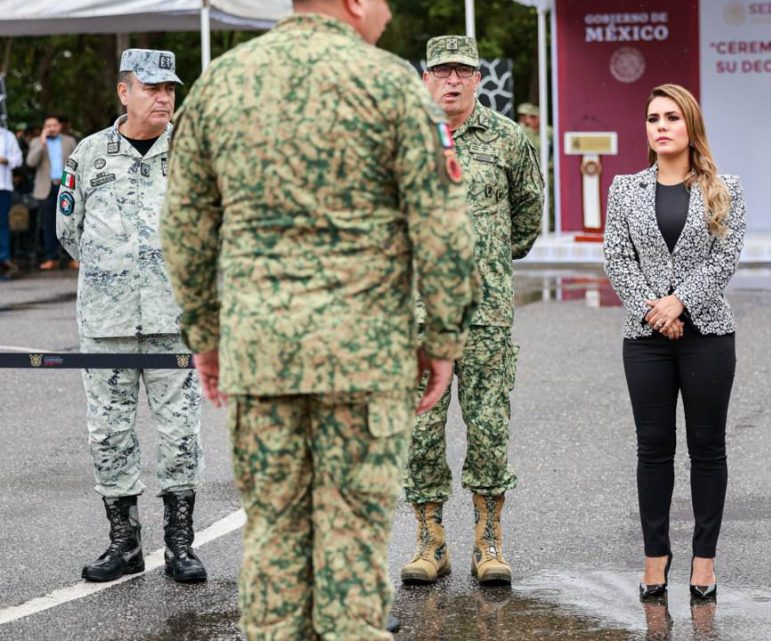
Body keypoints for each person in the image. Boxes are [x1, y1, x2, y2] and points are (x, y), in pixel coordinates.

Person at [161, 1, 478, 638]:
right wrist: (443, 339)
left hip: (261, 356)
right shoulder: (391, 85)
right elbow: (443, 231)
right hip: (364, 362)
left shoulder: (224, 81)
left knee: (273, 539)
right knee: (353, 553)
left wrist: (206, 333)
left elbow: (184, 226)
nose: (387, 12)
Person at [54, 49, 207, 585]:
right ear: (125, 92)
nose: (164, 96)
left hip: (175, 321)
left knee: (180, 434)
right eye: (152, 87)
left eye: (170, 88)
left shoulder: (191, 153)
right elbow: (68, 234)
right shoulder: (89, 156)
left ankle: (181, 545)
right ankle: (123, 544)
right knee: (110, 432)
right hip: (107, 323)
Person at [399, 34, 543, 588]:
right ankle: (430, 542)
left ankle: (488, 542)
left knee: (487, 429)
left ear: (479, 80)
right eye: (442, 72)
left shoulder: (509, 140)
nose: (452, 81)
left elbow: (527, 219)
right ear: (426, 79)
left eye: (463, 71)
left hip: (485, 317)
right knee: (421, 432)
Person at [602, 83, 747, 601]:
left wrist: (679, 302)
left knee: (707, 450)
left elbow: (724, 258)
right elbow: (617, 259)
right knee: (653, 449)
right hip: (644, 338)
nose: (660, 126)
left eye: (671, 118)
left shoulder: (723, 186)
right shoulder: (624, 189)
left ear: (690, 127)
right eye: (652, 118)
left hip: (707, 335)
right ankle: (655, 558)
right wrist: (653, 309)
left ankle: (703, 562)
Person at [25, 114, 77, 270]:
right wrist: (42, 143)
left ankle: (72, 257)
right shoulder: (36, 142)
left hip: (65, 186)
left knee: (69, 223)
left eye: (54, 125)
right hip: (46, 188)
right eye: (48, 126)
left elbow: (77, 164)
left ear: (59, 126)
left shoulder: (69, 141)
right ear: (44, 128)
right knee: (48, 225)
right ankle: (51, 258)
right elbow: (30, 163)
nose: (51, 128)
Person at [0, 124, 23, 276]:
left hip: (3, 186)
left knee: (2, 223)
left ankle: (3, 257)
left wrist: (6, 160)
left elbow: (19, 159)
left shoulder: (8, 136)